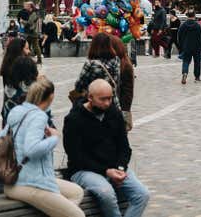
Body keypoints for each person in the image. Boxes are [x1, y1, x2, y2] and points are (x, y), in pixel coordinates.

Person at [64, 79, 150, 217]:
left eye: (110, 98)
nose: (107, 103)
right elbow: (76, 156)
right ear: (90, 97)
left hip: (114, 168)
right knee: (106, 193)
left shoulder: (114, 113)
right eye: (102, 99)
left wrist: (120, 168)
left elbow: (124, 148)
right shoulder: (74, 119)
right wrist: (105, 171)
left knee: (142, 194)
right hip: (84, 170)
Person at [1, 78, 85, 217]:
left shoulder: (17, 112)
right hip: (29, 184)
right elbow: (31, 149)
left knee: (76, 192)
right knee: (78, 215)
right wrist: (53, 138)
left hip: (15, 180)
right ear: (51, 96)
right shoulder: (38, 116)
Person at [74, 33, 121, 110]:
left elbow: (79, 85)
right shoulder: (116, 60)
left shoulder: (90, 63)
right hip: (112, 102)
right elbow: (117, 80)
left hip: (94, 103)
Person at [0, 39, 36, 126]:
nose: (29, 51)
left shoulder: (7, 67)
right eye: (27, 48)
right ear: (19, 50)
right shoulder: (23, 67)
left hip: (8, 113)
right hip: (22, 118)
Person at [108, 37, 135, 132]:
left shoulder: (125, 65)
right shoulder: (109, 63)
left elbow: (128, 91)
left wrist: (125, 110)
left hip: (118, 108)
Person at [178, 10, 201, 84]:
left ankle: (185, 73)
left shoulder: (183, 25)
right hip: (196, 47)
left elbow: (179, 36)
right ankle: (197, 77)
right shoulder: (197, 25)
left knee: (186, 61)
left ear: (187, 16)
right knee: (197, 62)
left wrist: (181, 46)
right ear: (194, 15)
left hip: (186, 46)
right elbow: (200, 37)